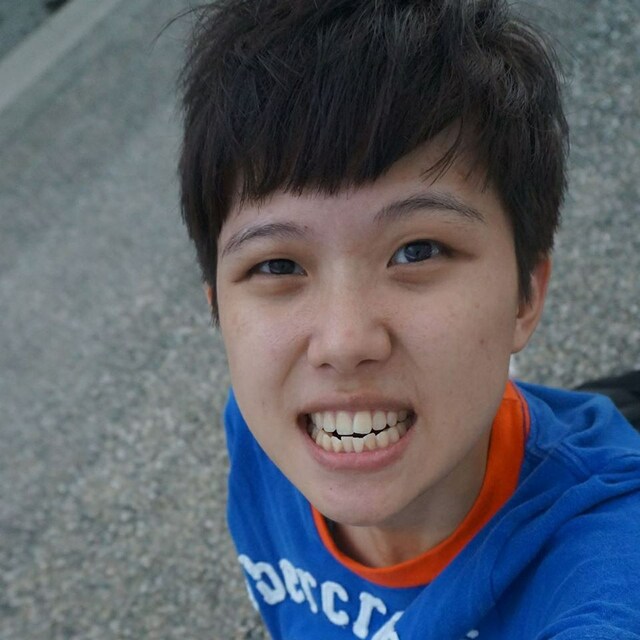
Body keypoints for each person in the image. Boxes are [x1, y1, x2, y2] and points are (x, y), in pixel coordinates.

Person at [178, 1, 640, 637]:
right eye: (278, 265)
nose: (344, 342)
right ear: (219, 312)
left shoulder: (607, 560)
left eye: (417, 251)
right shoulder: (258, 432)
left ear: (526, 295)